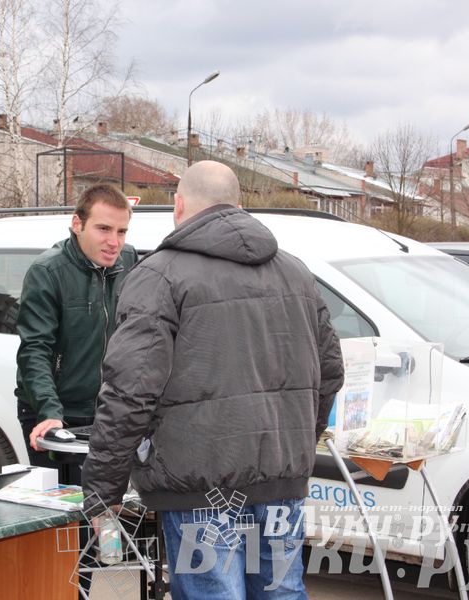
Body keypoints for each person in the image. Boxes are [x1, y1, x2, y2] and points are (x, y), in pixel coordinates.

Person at [82, 161, 345, 599]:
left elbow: (130, 391)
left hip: (197, 489)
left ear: (178, 206)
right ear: (239, 206)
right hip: (279, 483)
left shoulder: (158, 276)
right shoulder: (296, 273)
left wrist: (103, 489)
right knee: (281, 592)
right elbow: (330, 373)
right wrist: (296, 443)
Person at [15, 183, 137, 483]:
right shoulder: (48, 271)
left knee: (109, 512)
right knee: (67, 520)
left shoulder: (129, 261)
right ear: (77, 223)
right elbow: (35, 349)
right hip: (55, 411)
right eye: (104, 229)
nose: (114, 242)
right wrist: (50, 412)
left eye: (121, 232)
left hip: (108, 411)